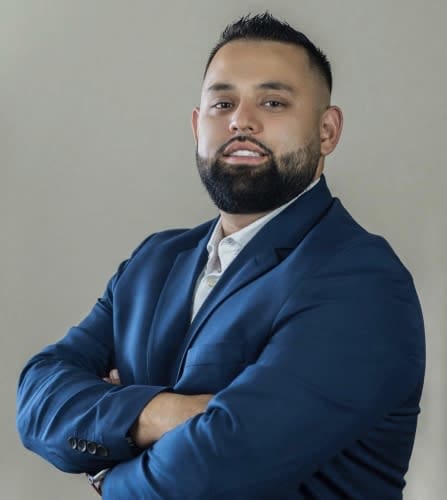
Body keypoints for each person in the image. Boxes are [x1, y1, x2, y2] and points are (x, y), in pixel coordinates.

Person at [16, 12, 425, 499]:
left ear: (327, 131)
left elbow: (218, 470)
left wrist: (108, 475)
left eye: (273, 102)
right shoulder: (152, 263)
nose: (241, 120)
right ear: (197, 126)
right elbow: (38, 398)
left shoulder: (360, 280)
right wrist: (162, 413)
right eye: (223, 103)